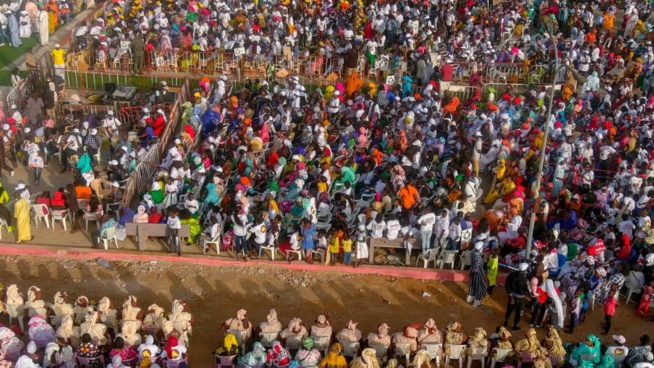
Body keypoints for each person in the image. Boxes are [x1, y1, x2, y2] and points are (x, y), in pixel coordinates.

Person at [503, 262, 530, 331]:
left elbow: (506, 285)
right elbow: (528, 291)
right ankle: (514, 326)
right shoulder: (525, 280)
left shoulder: (511, 274)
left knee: (509, 310)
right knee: (519, 313)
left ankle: (505, 322)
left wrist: (510, 294)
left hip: (512, 296)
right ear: (525, 270)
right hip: (520, 299)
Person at [467, 241, 487, 307]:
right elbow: (476, 267)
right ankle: (477, 303)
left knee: (472, 285)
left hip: (472, 271)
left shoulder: (472, 252)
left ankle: (469, 299)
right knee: (480, 287)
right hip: (478, 273)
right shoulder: (478, 258)